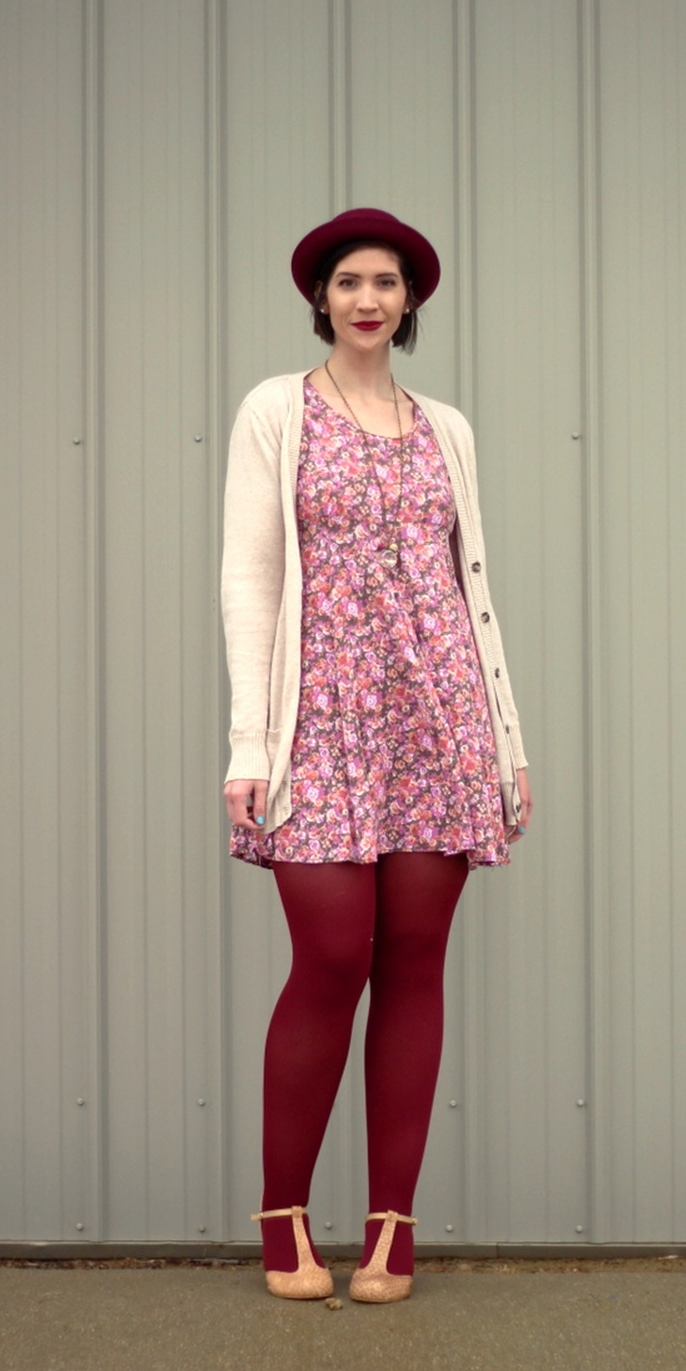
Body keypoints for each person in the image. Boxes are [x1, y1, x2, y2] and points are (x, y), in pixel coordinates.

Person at [221, 208, 531, 1303]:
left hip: (438, 722)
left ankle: (391, 1229)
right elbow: (250, 580)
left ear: (409, 303)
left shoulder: (445, 425)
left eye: (385, 282)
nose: (366, 297)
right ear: (320, 296)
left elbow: (472, 591)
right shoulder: (276, 410)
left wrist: (506, 744)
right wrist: (247, 747)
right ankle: (282, 1219)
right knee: (332, 958)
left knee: (411, 962)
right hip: (321, 723)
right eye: (348, 279)